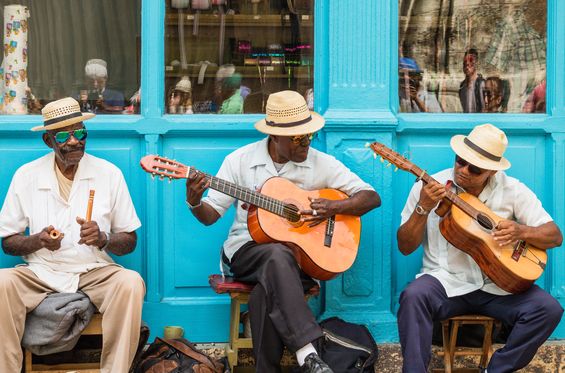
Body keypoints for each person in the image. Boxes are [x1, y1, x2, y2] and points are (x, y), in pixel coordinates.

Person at [185, 90, 381, 373]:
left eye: (309, 134)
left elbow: (371, 197)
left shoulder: (320, 162)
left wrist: (333, 208)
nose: (307, 142)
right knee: (276, 254)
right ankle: (308, 353)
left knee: (264, 294)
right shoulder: (239, 160)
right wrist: (194, 201)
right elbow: (210, 216)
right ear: (275, 136)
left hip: (298, 262)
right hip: (246, 252)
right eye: (299, 138)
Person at [396, 123, 563, 373]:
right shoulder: (431, 188)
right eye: (460, 161)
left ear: (492, 172)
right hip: (446, 283)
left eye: (474, 168)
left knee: (548, 309)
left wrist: (521, 231)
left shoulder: (513, 190)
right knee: (413, 296)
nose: (463, 171)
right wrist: (422, 207)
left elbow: (554, 236)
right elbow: (405, 247)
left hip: (499, 286)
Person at [0, 97, 145, 372]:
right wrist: (37, 241)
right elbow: (8, 242)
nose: (74, 141)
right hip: (42, 271)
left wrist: (104, 239)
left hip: (94, 270)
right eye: (64, 135)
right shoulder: (26, 176)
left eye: (79, 133)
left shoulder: (108, 173)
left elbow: (129, 240)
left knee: (131, 283)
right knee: (1, 284)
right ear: (48, 141)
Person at [459, 49, 485, 113]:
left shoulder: (481, 84)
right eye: (465, 63)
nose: (467, 66)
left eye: (471, 62)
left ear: (476, 64)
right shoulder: (462, 86)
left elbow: (484, 109)